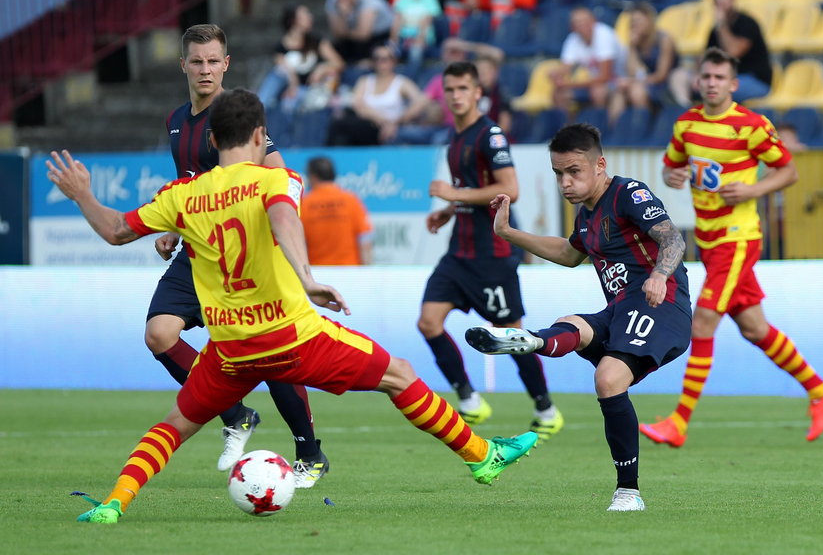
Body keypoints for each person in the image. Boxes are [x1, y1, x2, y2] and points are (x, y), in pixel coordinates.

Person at [47, 88, 538, 524]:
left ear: (213, 141)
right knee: (401, 375)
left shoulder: (181, 195)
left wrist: (83, 195)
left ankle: (115, 502)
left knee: (175, 425)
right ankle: (480, 456)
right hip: (292, 337)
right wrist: (307, 279)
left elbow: (115, 231)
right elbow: (284, 220)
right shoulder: (276, 181)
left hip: (231, 348)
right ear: (260, 135)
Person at [464, 123, 692, 511]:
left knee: (607, 377)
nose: (565, 182)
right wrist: (507, 232)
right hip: (621, 309)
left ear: (599, 165)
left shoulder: (628, 194)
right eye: (558, 174)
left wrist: (658, 274)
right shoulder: (586, 217)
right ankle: (533, 340)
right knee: (575, 324)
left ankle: (629, 493)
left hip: (661, 305)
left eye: (574, 171)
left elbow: (672, 238)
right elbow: (570, 254)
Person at [149, 24, 329, 487]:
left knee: (267, 355)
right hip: (198, 253)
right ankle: (236, 413)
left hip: (243, 257)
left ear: (226, 64)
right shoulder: (175, 119)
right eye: (197, 61)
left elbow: (279, 176)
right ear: (184, 65)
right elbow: (192, 187)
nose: (205, 69)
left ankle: (310, 452)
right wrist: (174, 225)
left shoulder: (237, 118)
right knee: (159, 334)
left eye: (214, 61)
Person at [639, 47, 823, 448]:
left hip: (738, 237)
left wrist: (753, 189)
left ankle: (679, 421)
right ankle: (822, 390)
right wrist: (672, 175)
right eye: (706, 76)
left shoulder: (750, 125)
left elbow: (789, 171)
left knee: (703, 324)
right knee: (754, 328)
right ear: (698, 81)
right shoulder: (687, 124)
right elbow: (670, 165)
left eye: (719, 78)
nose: (712, 83)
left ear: (733, 84)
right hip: (709, 240)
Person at [418, 61, 564, 443]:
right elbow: (470, 188)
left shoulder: (490, 135)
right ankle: (468, 398)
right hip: (458, 253)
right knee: (428, 322)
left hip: (492, 255)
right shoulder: (456, 135)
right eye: (449, 89)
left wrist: (455, 195)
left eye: (463, 88)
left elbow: (510, 189)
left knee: (511, 335)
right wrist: (449, 211)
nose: (455, 96)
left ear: (478, 92)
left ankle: (545, 407)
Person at [326, 43, 430, 146]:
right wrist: (383, 122)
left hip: (394, 127)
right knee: (340, 124)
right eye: (377, 59)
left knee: (343, 126)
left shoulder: (401, 82)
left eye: (385, 59)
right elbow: (358, 105)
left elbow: (420, 101)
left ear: (393, 61)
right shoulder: (365, 81)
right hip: (369, 125)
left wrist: (399, 121)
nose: (380, 63)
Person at [255, 4, 344, 114]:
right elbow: (283, 69)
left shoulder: (316, 42)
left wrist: (321, 69)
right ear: (293, 20)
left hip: (309, 91)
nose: (310, 17)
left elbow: (339, 63)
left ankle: (259, 110)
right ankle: (258, 109)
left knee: (293, 100)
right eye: (305, 15)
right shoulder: (280, 48)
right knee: (278, 75)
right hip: (288, 90)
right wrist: (293, 83)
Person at [607, 1, 681, 126]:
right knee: (619, 93)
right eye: (633, 22)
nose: (636, 25)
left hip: (666, 85)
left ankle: (642, 130)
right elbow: (633, 72)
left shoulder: (664, 39)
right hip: (645, 82)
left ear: (649, 21)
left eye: (639, 21)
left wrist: (633, 82)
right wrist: (631, 47)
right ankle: (617, 133)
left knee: (637, 91)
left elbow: (661, 75)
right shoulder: (636, 43)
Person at [550, 7, 626, 113]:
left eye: (584, 21)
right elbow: (565, 68)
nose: (581, 25)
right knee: (559, 94)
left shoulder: (604, 35)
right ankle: (567, 127)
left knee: (598, 92)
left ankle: (599, 126)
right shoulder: (573, 39)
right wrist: (556, 74)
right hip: (597, 82)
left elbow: (605, 77)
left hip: (620, 79)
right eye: (577, 22)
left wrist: (569, 84)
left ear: (593, 21)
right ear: (572, 27)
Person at [301, 156, 373, 265]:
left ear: (312, 177)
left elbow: (299, 244)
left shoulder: (304, 204)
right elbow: (365, 241)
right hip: (350, 271)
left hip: (317, 273)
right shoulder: (351, 200)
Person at [705, 0, 772, 102]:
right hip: (728, 79)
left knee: (718, 89)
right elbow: (706, 56)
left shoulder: (747, 23)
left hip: (755, 80)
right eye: (717, 2)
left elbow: (734, 52)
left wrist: (722, 25)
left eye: (723, 1)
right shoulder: (715, 30)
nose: (720, 6)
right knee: (687, 81)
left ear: (732, 0)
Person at [325, 0, 394, 66]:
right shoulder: (333, 0)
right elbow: (337, 34)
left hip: (382, 36)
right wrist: (343, 15)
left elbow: (363, 35)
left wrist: (344, 32)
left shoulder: (369, 0)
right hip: (354, 38)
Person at [389, 0, 442, 68]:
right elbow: (397, 21)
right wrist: (393, 40)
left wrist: (419, 39)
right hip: (403, 38)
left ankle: (411, 76)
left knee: (416, 50)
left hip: (424, 38)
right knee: (389, 50)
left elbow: (427, 22)